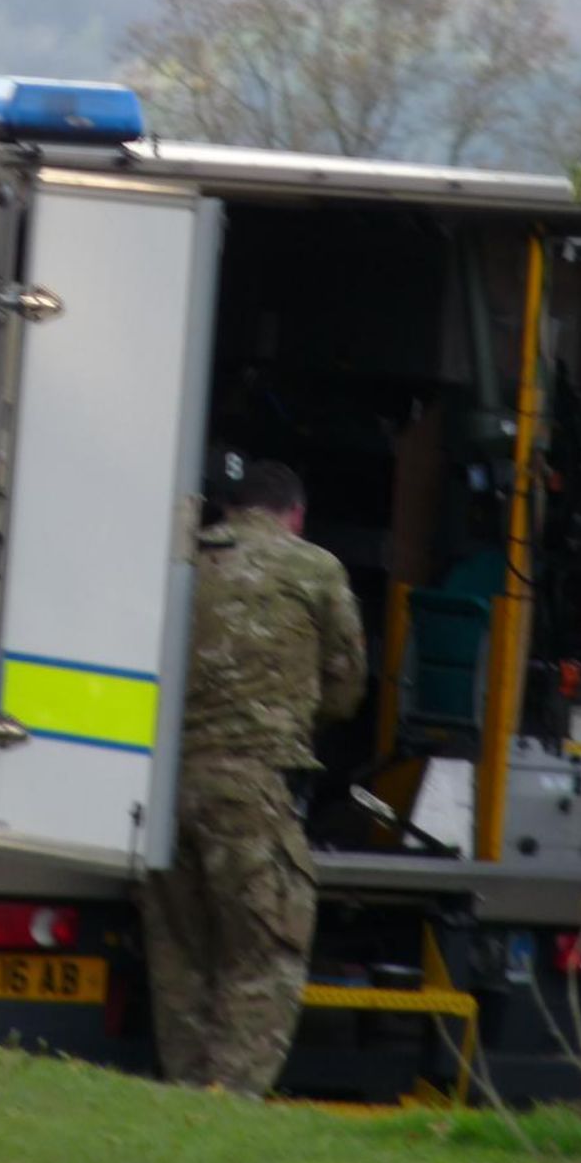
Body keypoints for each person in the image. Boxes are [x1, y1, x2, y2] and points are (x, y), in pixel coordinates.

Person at [139, 459, 367, 1096]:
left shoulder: (181, 560)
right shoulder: (313, 568)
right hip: (250, 790)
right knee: (264, 956)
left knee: (181, 959)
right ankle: (229, 1105)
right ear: (293, 515)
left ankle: (185, 1098)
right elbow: (346, 691)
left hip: (163, 792)